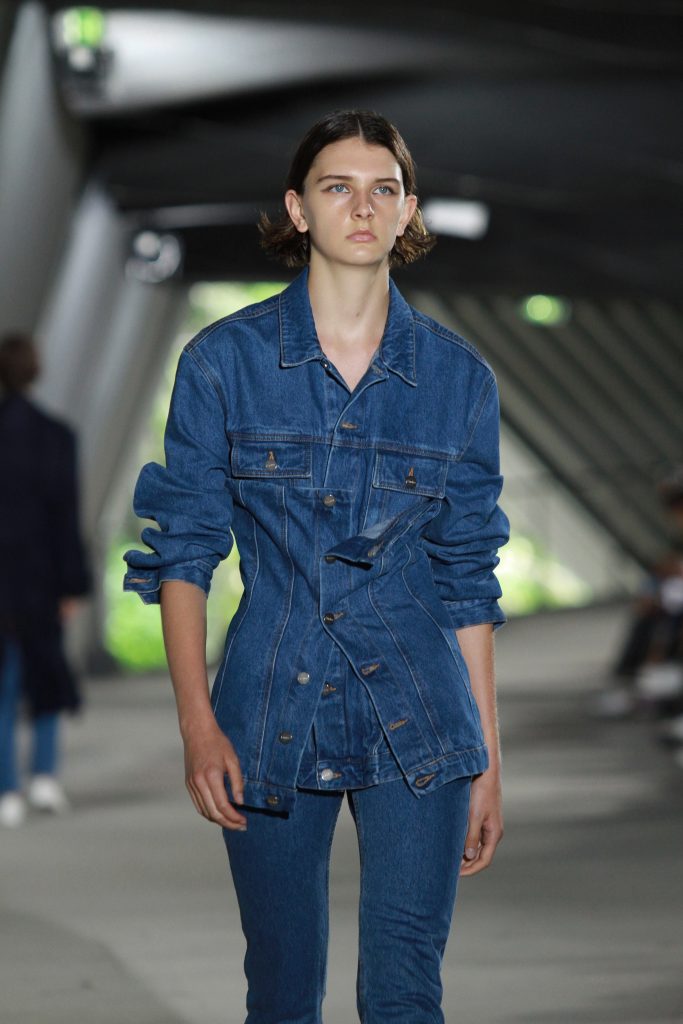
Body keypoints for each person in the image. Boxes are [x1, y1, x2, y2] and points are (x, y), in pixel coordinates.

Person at [123, 109, 509, 1023]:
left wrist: (488, 759)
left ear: (407, 210)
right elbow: (184, 553)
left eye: (383, 190)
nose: (362, 207)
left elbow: (466, 579)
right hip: (266, 716)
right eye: (338, 187)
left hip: (422, 724)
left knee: (405, 996)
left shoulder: (458, 381)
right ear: (298, 208)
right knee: (282, 994)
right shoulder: (223, 364)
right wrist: (196, 726)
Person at [0, 332, 91, 828]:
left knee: (4, 683)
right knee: (46, 670)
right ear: (36, 371)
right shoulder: (56, 436)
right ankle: (44, 777)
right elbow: (64, 516)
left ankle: (5, 790)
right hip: (40, 579)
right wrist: (71, 584)